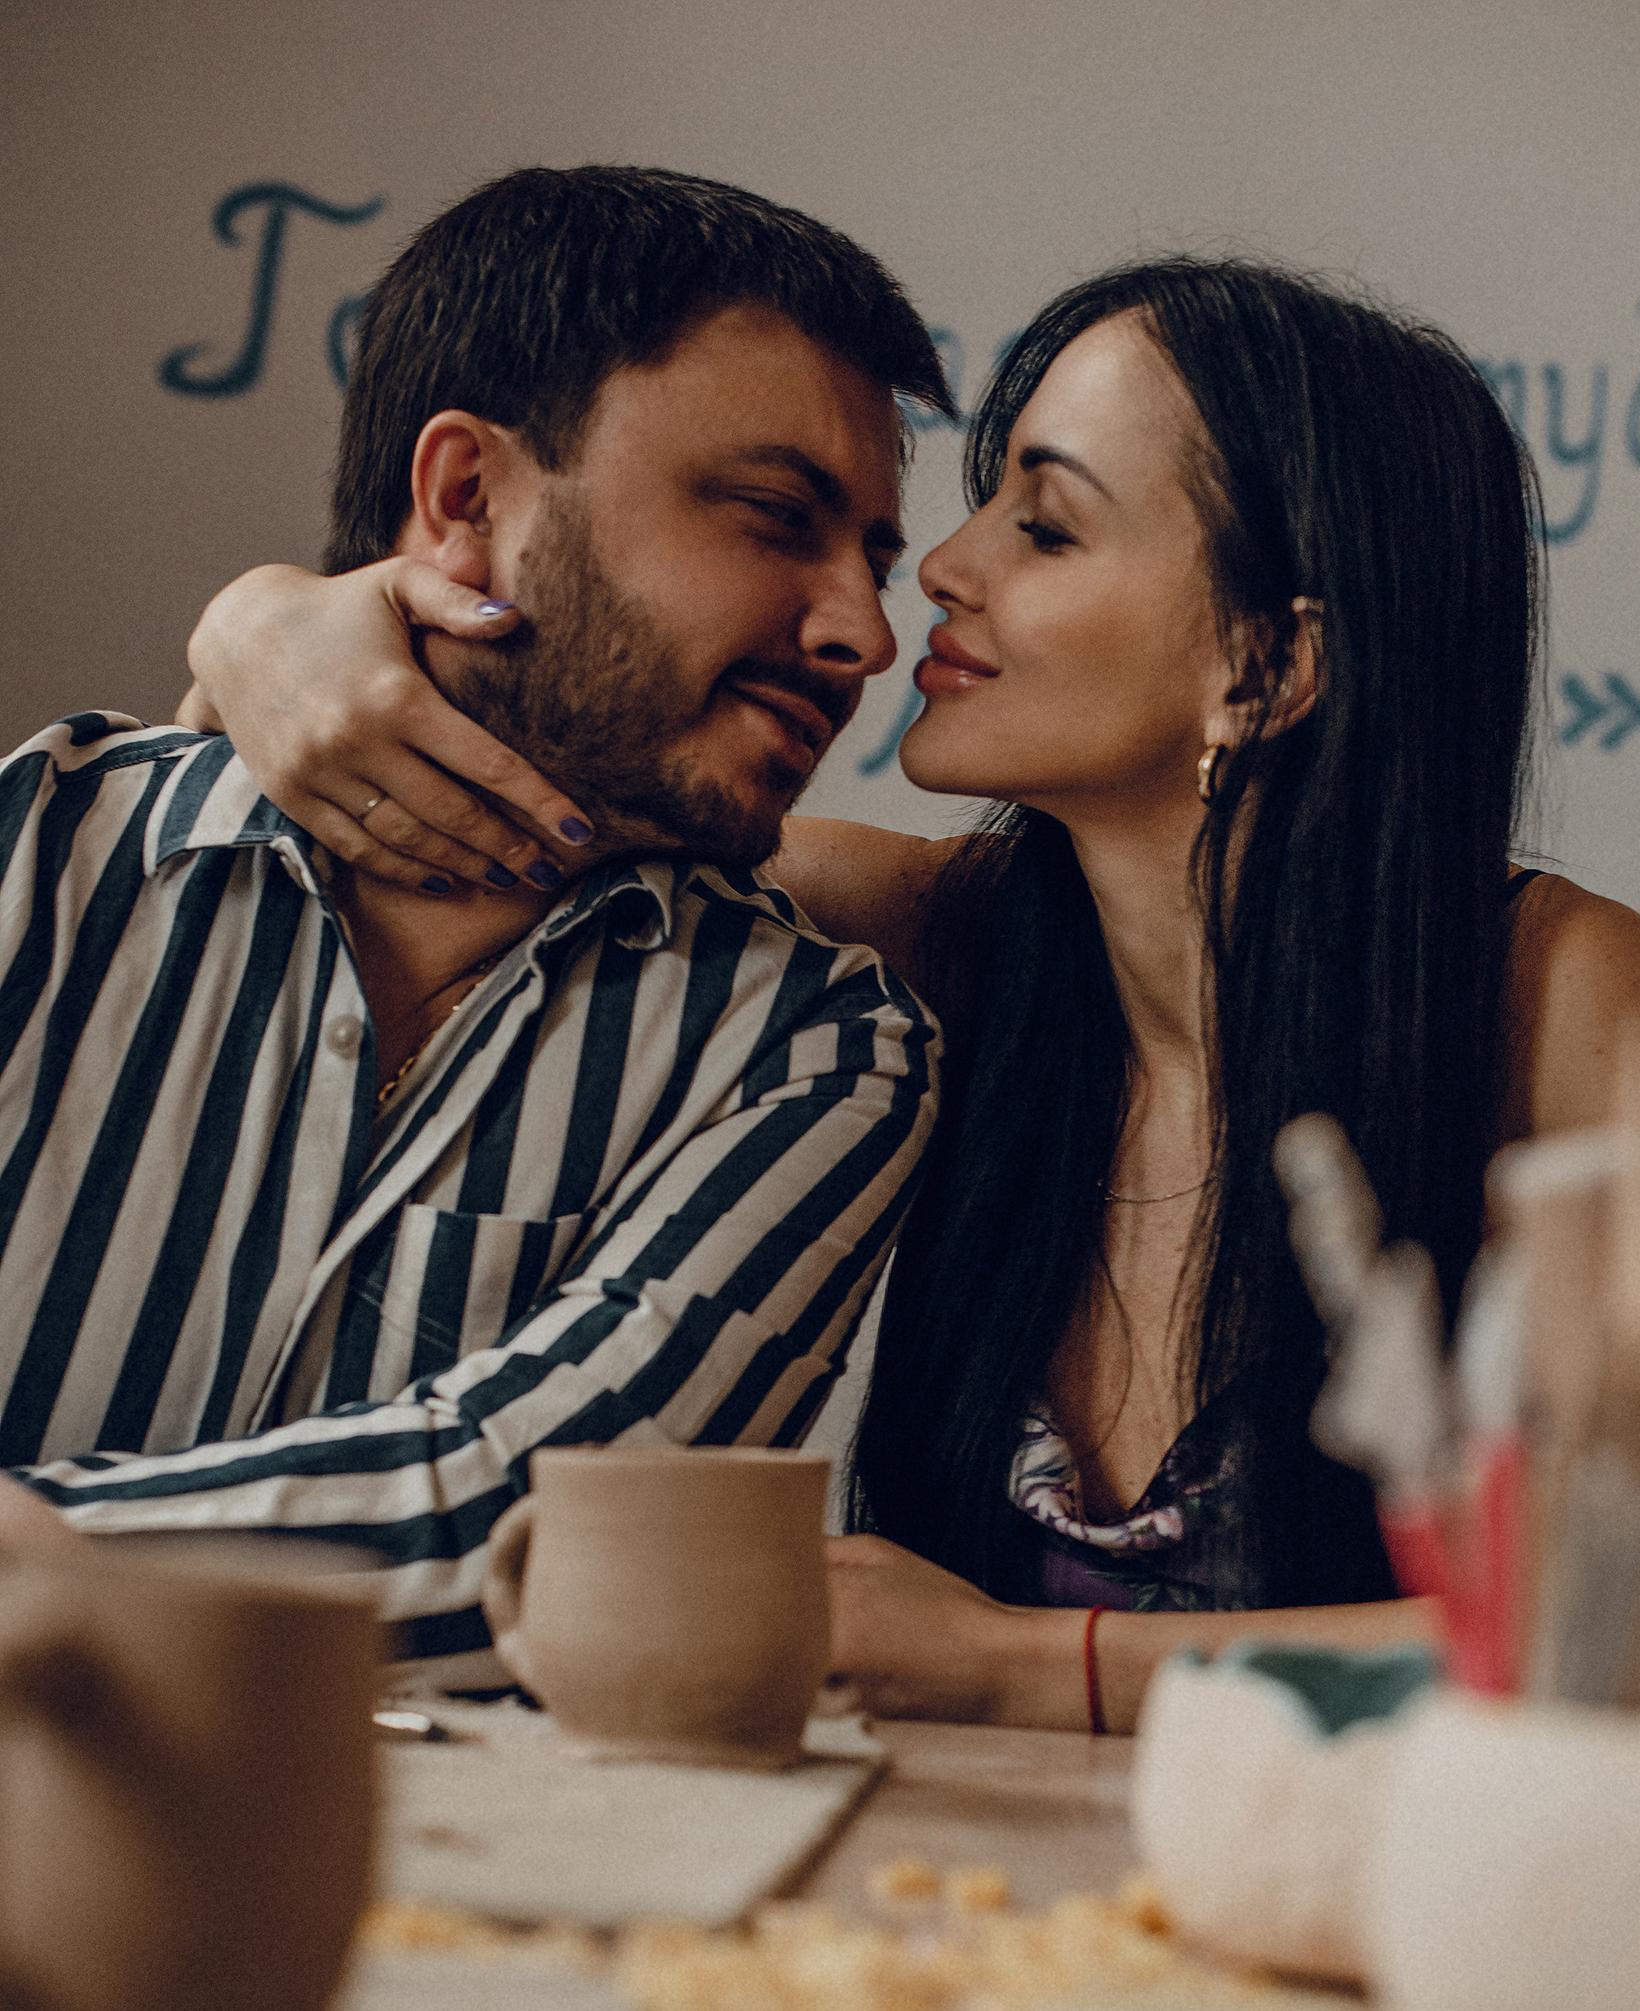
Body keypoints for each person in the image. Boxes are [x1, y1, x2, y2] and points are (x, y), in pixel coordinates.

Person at [186, 255, 1640, 1723]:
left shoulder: (1562, 991)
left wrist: (1024, 1661)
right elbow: (503, 768)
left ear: (1265, 669)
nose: (937, 570)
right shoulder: (926, 934)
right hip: (948, 1919)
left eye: (1045, 527)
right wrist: (258, 631)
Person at [0, 166, 948, 1677]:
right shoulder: (35, 857)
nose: (864, 632)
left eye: (878, 564)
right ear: (466, 499)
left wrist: (35, 1557)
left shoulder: (821, 1051)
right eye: (777, 519)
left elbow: (547, 1525)